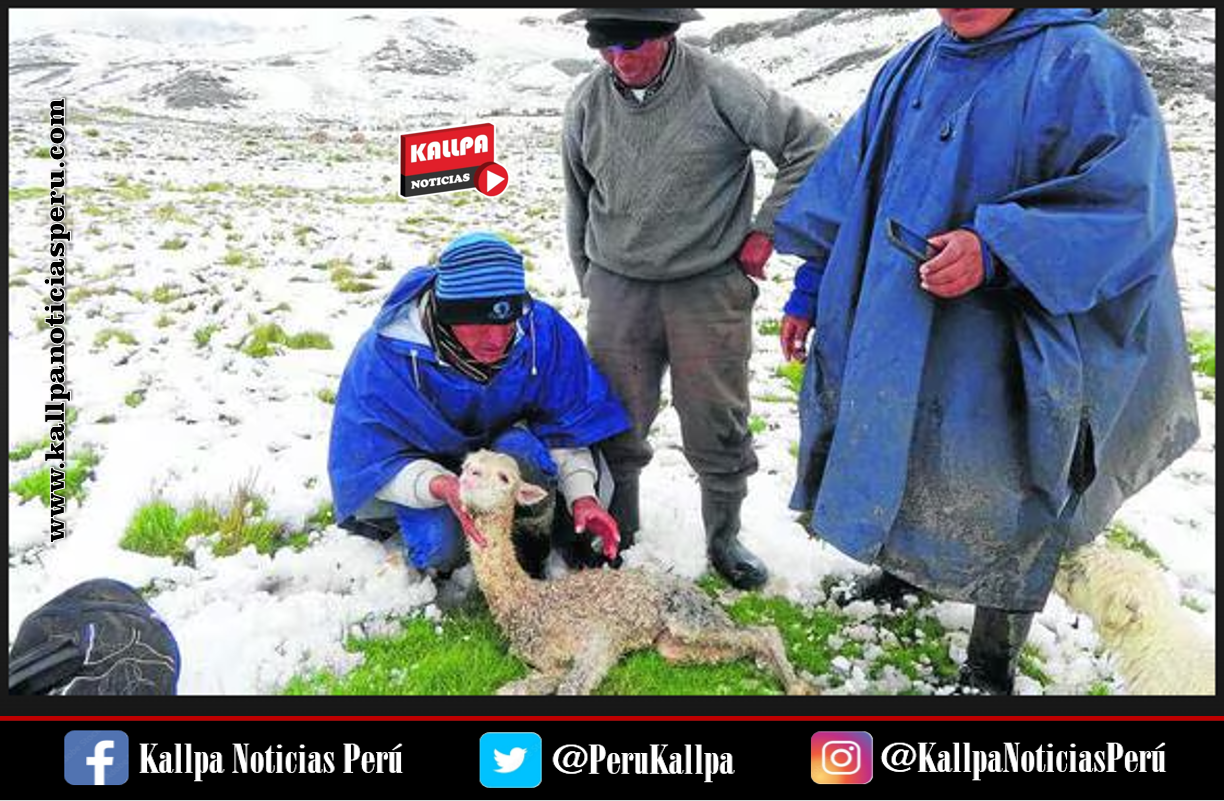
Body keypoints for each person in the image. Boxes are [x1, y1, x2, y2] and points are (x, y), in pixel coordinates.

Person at [773, 8, 1200, 694]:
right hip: (898, 317)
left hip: (1011, 334)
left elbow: (1131, 209)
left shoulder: (1086, 65)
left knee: (1010, 476)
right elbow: (849, 189)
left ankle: (991, 658)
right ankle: (904, 570)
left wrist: (998, 248)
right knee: (906, 443)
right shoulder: (914, 63)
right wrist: (810, 286)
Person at [559, 7, 832, 590]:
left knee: (717, 418)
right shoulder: (586, 101)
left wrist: (767, 229)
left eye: (633, 45)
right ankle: (619, 529)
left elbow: (810, 145)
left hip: (707, 285)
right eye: (606, 47)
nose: (619, 60)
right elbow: (577, 199)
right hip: (618, 285)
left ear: (667, 34)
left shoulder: (721, 85)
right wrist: (592, 281)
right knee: (614, 416)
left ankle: (723, 537)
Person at [328, 232, 631, 588]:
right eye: (480, 323)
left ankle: (530, 542)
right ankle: (443, 548)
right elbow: (369, 457)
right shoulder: (385, 356)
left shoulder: (541, 333)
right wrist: (439, 485)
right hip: (422, 470)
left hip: (503, 454)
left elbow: (566, 423)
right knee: (441, 547)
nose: (497, 338)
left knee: (525, 458)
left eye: (507, 321)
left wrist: (583, 497)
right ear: (446, 314)